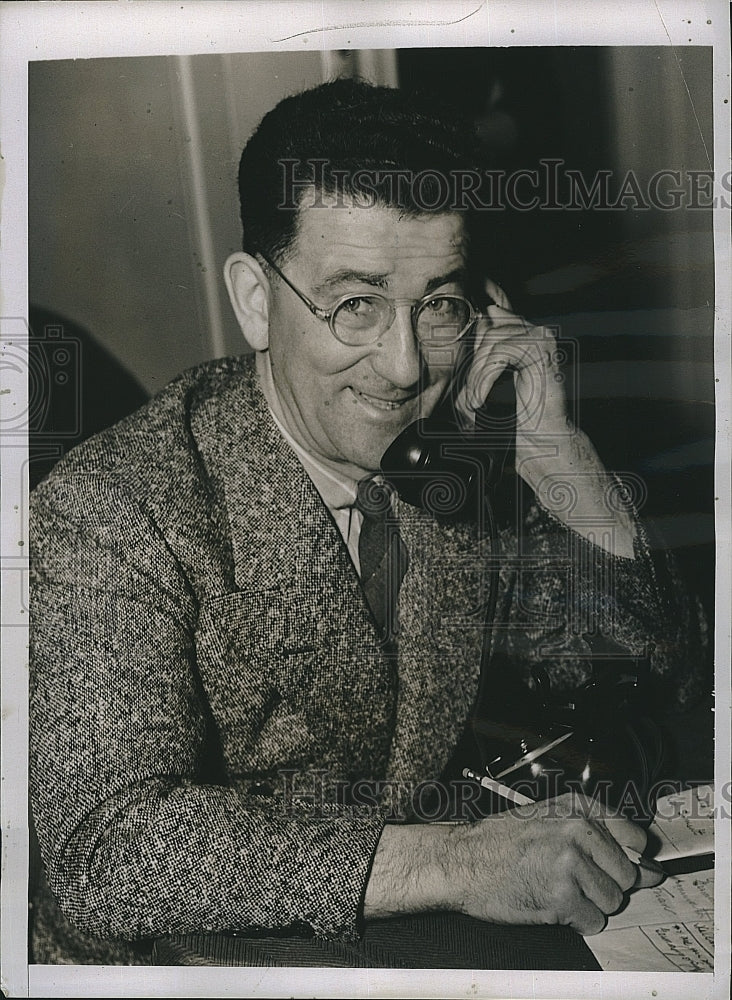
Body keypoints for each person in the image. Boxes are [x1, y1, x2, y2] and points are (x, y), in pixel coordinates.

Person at [29, 78, 706, 967]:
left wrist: (557, 455)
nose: (401, 364)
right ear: (254, 299)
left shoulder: (451, 456)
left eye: (438, 302)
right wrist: (458, 862)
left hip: (392, 938)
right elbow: (107, 849)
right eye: (356, 303)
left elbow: (652, 673)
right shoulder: (112, 508)